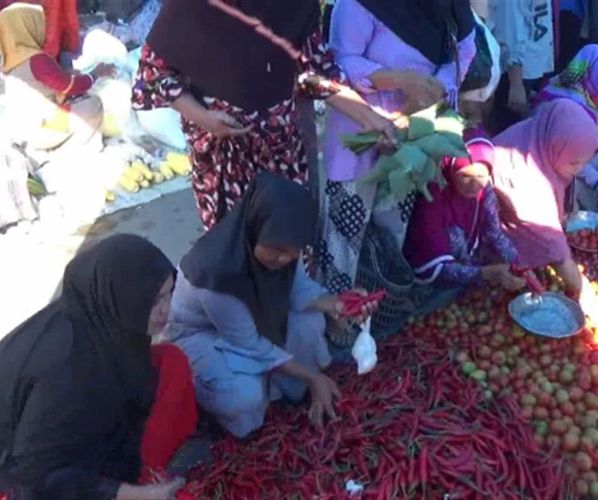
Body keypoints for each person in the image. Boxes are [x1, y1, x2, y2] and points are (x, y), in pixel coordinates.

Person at [133, 0, 397, 230]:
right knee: (233, 251)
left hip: (282, 152)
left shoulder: (296, 5)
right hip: (221, 158)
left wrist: (370, 118)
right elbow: (154, 73)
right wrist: (204, 118)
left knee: (285, 242)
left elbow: (313, 75)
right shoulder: (193, 5)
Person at [166, 173, 377, 438]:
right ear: (255, 227)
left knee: (310, 321)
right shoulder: (216, 273)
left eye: (293, 251)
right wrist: (312, 378)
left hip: (250, 320)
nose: (284, 258)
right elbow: (249, 343)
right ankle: (210, 395)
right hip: (202, 334)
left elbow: (298, 290)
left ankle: (279, 385)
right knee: (243, 397)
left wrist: (338, 304)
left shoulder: (283, 244)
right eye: (275, 248)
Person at [0, 235, 197, 499]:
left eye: (167, 295)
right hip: (23, 473)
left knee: (170, 362)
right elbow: (35, 479)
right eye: (152, 302)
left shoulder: (96, 314)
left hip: (54, 432)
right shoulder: (65, 370)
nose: (166, 311)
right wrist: (135, 494)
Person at [317, 0, 476, 295]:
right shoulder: (357, 5)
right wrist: (400, 81)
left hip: (413, 136)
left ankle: (374, 315)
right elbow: (336, 62)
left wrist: (434, 90)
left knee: (390, 235)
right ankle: (338, 316)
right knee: (344, 238)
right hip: (359, 131)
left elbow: (465, 49)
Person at [492, 99, 598, 297]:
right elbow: (550, 240)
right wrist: (582, 291)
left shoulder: (539, 134)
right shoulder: (526, 178)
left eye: (584, 162)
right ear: (556, 146)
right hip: (482, 222)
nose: (579, 169)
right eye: (574, 162)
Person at [403, 130, 525, 290]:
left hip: (467, 263)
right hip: (429, 279)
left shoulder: (484, 190)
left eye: (481, 176)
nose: (474, 186)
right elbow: (434, 266)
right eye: (465, 176)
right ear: (451, 170)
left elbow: (493, 232)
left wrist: (520, 266)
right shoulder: (432, 196)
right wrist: (484, 273)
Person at [0, 2, 113, 152]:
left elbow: (40, 81)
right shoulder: (37, 59)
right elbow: (70, 86)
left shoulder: (8, 62)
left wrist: (64, 75)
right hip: (44, 130)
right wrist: (95, 74)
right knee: (93, 104)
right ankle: (84, 149)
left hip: (22, 130)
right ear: (28, 27)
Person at [536, 44, 598, 207]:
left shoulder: (579, 92)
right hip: (550, 161)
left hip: (565, 148)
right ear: (593, 81)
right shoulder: (567, 109)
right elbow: (571, 157)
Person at [484, 0, 556, 134]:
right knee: (510, 136)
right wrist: (516, 84)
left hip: (535, 69)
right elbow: (510, 32)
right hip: (516, 74)